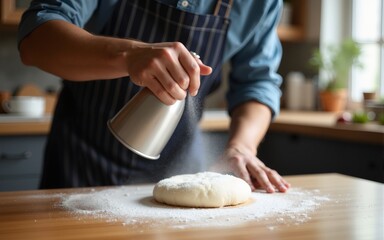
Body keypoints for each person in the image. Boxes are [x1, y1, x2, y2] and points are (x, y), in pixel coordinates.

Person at [18, 0, 290, 193]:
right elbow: (36, 39)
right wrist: (129, 55)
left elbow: (258, 82)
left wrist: (242, 146)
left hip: (181, 172)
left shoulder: (260, 3)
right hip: (80, 165)